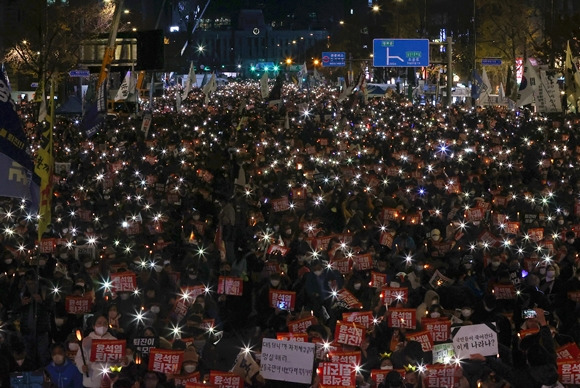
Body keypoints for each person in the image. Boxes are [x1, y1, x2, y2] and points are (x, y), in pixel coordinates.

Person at [75, 315, 117, 388]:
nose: (102, 326)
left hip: (108, 382)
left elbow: (118, 362)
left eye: (105, 323)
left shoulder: (114, 341)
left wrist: (122, 362)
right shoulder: (87, 341)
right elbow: (79, 357)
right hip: (90, 382)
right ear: (94, 326)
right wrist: (82, 367)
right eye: (99, 323)